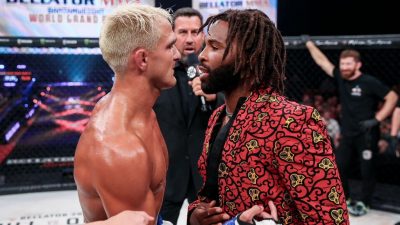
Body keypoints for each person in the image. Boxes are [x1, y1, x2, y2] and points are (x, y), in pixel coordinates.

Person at [188, 9, 349, 225]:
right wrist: (195, 217)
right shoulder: (219, 116)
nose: (202, 55)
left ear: (246, 57)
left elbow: (331, 220)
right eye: (205, 45)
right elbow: (211, 193)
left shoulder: (292, 120)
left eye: (215, 46)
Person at [73, 4, 181, 223]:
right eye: (170, 46)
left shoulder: (142, 113)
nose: (178, 55)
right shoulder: (119, 150)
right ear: (142, 59)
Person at [305, 39, 398, 216]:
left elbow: (392, 97)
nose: (344, 67)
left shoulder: (369, 81)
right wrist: (310, 45)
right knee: (338, 165)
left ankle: (365, 203)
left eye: (348, 64)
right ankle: (345, 198)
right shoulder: (341, 77)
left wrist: (377, 119)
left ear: (358, 64)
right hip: (348, 133)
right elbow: (323, 63)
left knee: (367, 170)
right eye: (342, 64)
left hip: (367, 133)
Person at [153, 7, 223, 224]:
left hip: (205, 175)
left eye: (196, 32)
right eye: (183, 32)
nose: (190, 39)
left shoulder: (219, 71)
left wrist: (214, 98)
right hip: (166, 174)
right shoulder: (156, 71)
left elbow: (235, 109)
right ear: (172, 35)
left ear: (203, 35)